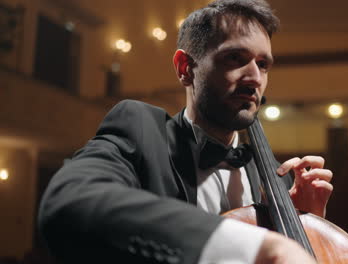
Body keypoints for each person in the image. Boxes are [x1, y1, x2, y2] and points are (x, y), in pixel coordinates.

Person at [38, 0, 333, 263]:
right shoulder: (140, 129)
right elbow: (70, 200)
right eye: (235, 58)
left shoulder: (268, 173)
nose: (255, 77)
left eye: (263, 64)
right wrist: (255, 247)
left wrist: (304, 226)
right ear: (185, 68)